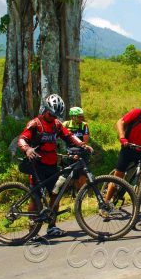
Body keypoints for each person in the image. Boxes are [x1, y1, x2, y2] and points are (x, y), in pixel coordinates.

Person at [18, 94, 93, 237]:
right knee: (36, 198)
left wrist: (82, 145)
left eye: (56, 115)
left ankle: (52, 227)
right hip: (37, 166)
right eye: (51, 114)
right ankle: (32, 233)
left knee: (55, 194)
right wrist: (27, 149)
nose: (53, 117)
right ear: (45, 110)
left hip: (52, 165)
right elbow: (22, 139)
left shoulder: (57, 125)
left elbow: (69, 137)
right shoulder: (35, 124)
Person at [62, 106, 90, 192]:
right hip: (69, 152)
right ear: (73, 117)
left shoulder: (84, 125)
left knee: (82, 172)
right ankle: (71, 192)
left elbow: (85, 141)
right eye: (79, 116)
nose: (82, 118)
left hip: (81, 152)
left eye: (82, 116)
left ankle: (81, 192)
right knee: (71, 173)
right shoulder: (66, 124)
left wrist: (80, 152)